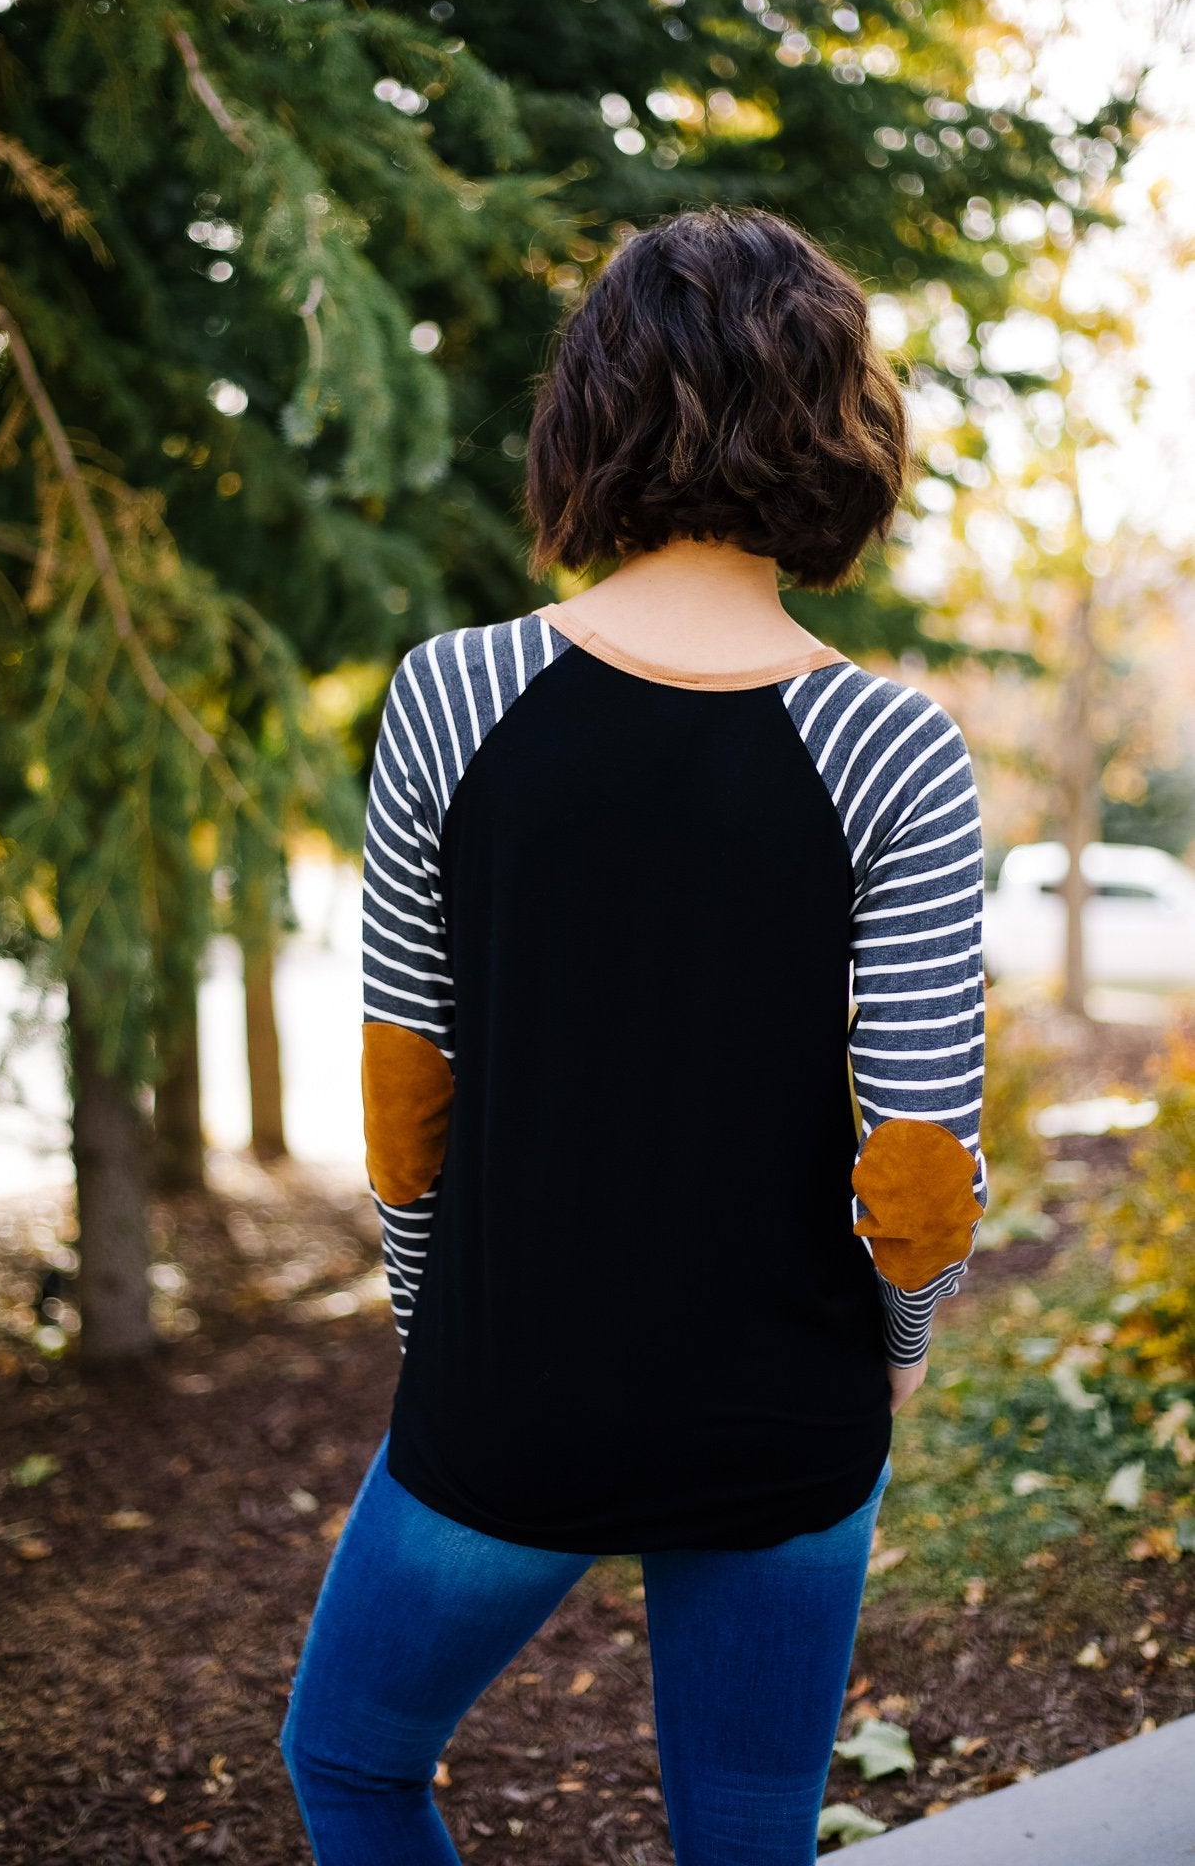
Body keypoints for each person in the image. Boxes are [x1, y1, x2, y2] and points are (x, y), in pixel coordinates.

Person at [280, 204, 989, 1865]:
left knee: (355, 1766)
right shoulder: (894, 746)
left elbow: (408, 1102)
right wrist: (887, 1360)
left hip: (505, 1391)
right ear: (839, 422)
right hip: (785, 1411)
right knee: (745, 1836)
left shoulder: (452, 696)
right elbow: (918, 1162)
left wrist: (437, 1327)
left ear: (588, 412)